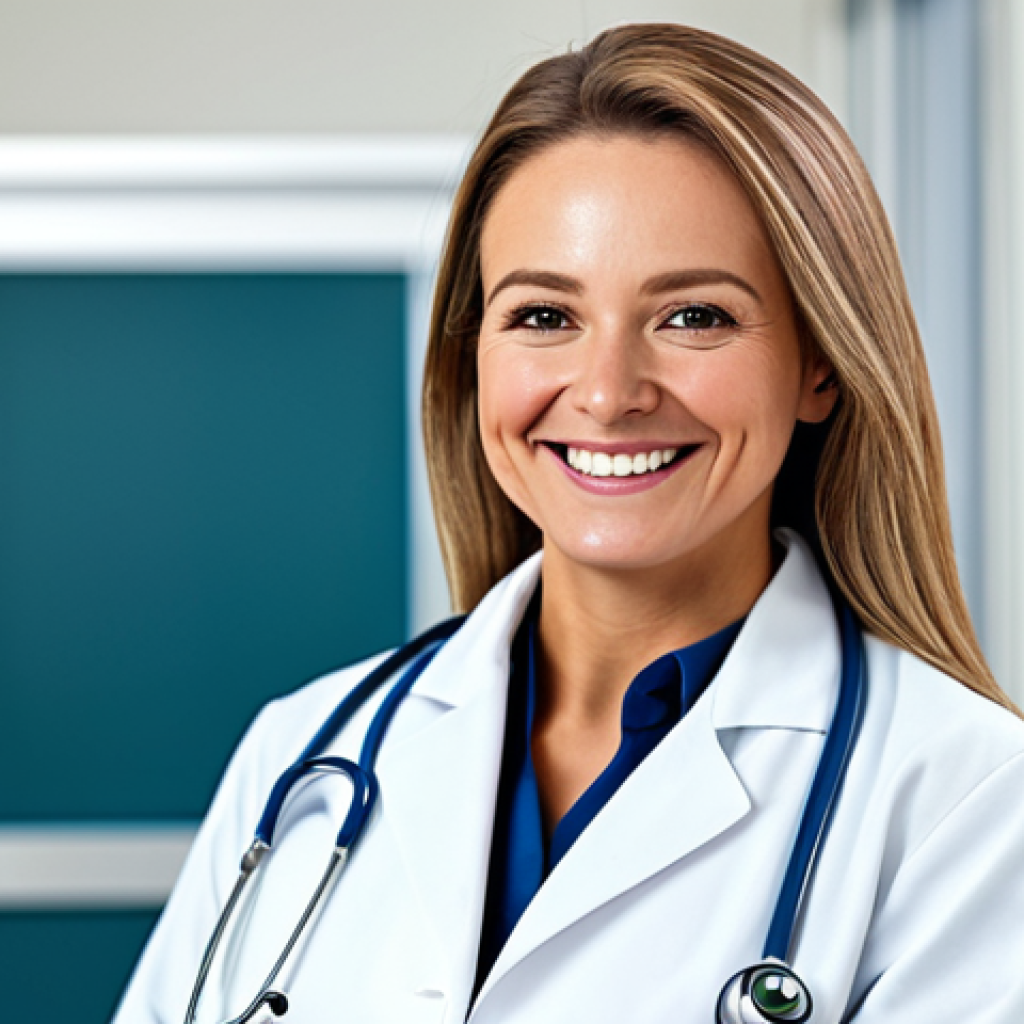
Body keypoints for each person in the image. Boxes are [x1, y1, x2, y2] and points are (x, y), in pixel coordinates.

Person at [114, 23, 1024, 1024]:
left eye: (694, 316)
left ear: (819, 364)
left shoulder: (966, 801)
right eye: (544, 316)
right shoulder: (303, 754)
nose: (606, 392)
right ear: (473, 357)